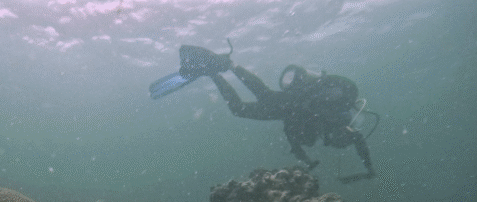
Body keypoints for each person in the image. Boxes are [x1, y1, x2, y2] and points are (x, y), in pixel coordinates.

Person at [150, 44, 376, 182]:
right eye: (339, 139)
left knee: (240, 108)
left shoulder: (320, 124)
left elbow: (293, 138)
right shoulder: (336, 119)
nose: (334, 142)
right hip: (294, 105)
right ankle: (226, 65)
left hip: (289, 110)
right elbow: (357, 140)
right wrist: (368, 167)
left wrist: (308, 161)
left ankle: (214, 71)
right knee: (263, 96)